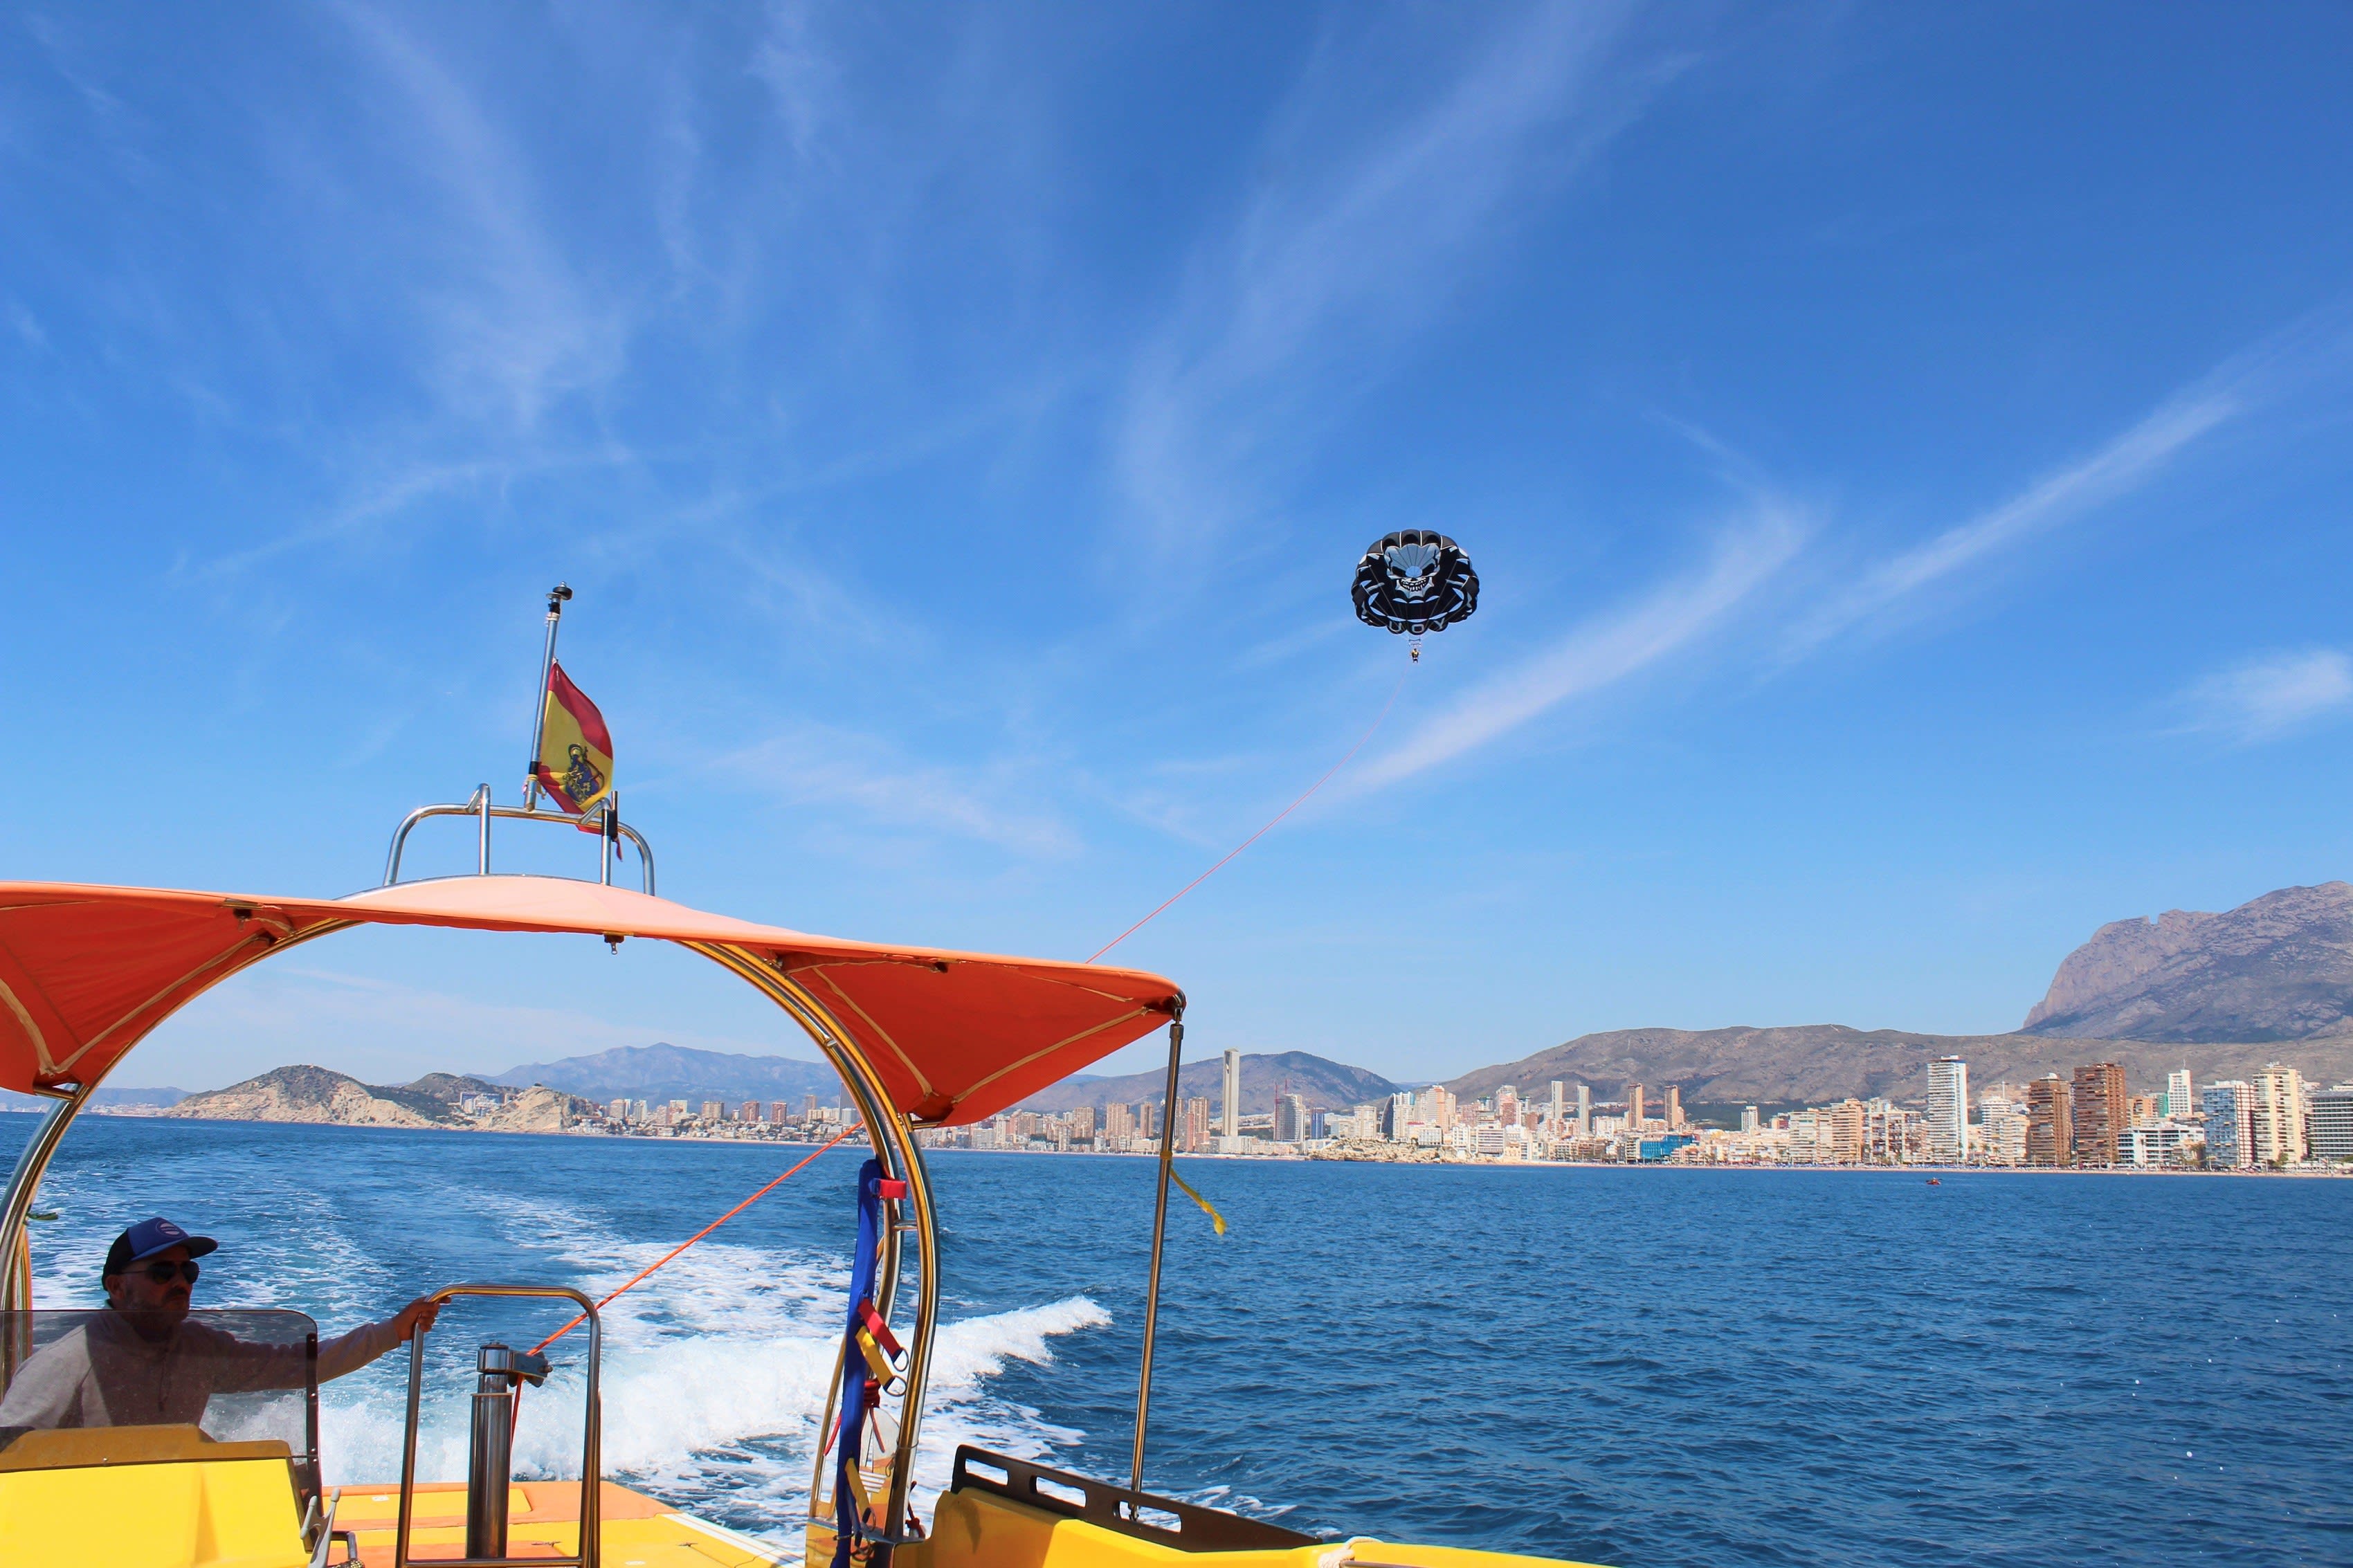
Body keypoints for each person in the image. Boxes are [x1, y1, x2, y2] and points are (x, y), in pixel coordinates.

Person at [0, 1216, 442, 1430]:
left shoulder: (199, 1346)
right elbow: (9, 1451)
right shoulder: (65, 1363)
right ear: (116, 1287)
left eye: (187, 1273)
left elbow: (300, 1364)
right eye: (162, 1273)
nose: (180, 1283)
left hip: (181, 1509)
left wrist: (391, 1332)